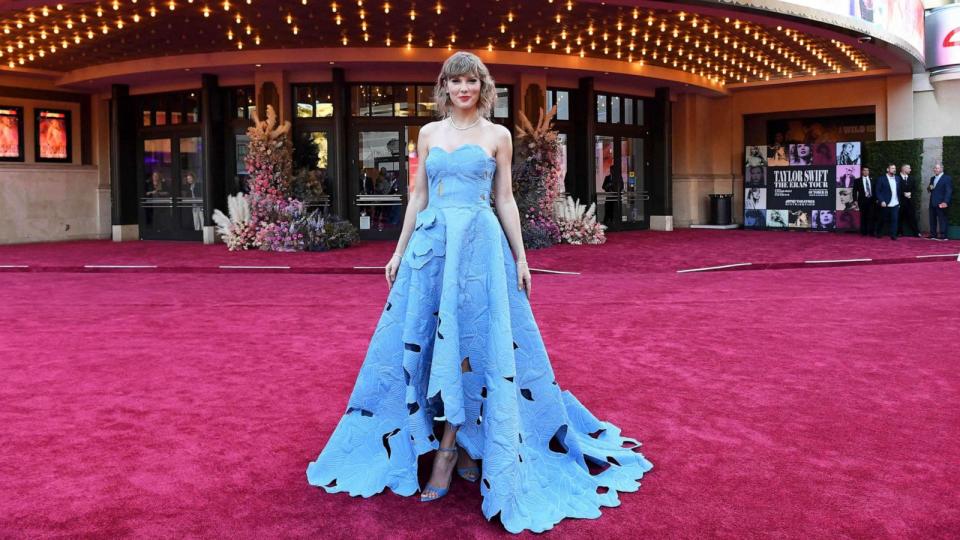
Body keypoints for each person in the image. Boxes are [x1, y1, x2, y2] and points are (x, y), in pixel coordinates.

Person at [304, 51, 652, 534]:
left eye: (471, 81)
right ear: (445, 87)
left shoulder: (498, 135)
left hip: (480, 252)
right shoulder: (428, 134)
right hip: (433, 248)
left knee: (474, 343)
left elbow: (504, 199)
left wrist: (522, 257)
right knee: (427, 341)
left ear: (482, 87)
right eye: (455, 81)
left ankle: (455, 447)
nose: (463, 89)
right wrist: (399, 251)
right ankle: (456, 439)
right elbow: (419, 197)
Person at [927, 163, 953, 241]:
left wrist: (945, 202)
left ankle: (943, 235)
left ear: (942, 169)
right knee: (932, 219)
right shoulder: (932, 178)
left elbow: (948, 191)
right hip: (932, 202)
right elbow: (929, 189)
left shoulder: (947, 178)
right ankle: (933, 234)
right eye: (934, 168)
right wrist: (929, 188)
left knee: (942, 219)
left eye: (937, 168)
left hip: (941, 202)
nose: (935, 169)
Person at [876, 163, 901, 240]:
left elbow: (899, 190)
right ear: (888, 169)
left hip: (895, 203)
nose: (894, 170)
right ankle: (879, 233)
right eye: (892, 168)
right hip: (885, 203)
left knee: (895, 219)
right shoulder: (881, 179)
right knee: (883, 219)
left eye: (895, 168)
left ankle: (893, 235)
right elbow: (877, 191)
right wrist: (881, 200)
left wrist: (899, 201)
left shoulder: (897, 178)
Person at [897, 164, 920, 237]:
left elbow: (915, 188)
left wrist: (910, 193)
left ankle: (916, 233)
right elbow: (895, 189)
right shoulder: (897, 178)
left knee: (912, 217)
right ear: (904, 169)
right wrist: (903, 193)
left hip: (910, 202)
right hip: (900, 201)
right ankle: (899, 232)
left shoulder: (912, 178)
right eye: (909, 168)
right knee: (899, 217)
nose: (910, 170)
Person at [852, 166, 876, 236]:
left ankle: (871, 232)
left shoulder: (873, 180)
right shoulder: (857, 180)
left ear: (869, 172)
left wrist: (876, 199)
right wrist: (855, 200)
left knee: (872, 216)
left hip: (871, 200)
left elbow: (875, 190)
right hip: (862, 200)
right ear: (862, 172)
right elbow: (854, 191)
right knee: (863, 216)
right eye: (864, 170)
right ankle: (864, 232)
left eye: (867, 170)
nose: (866, 172)